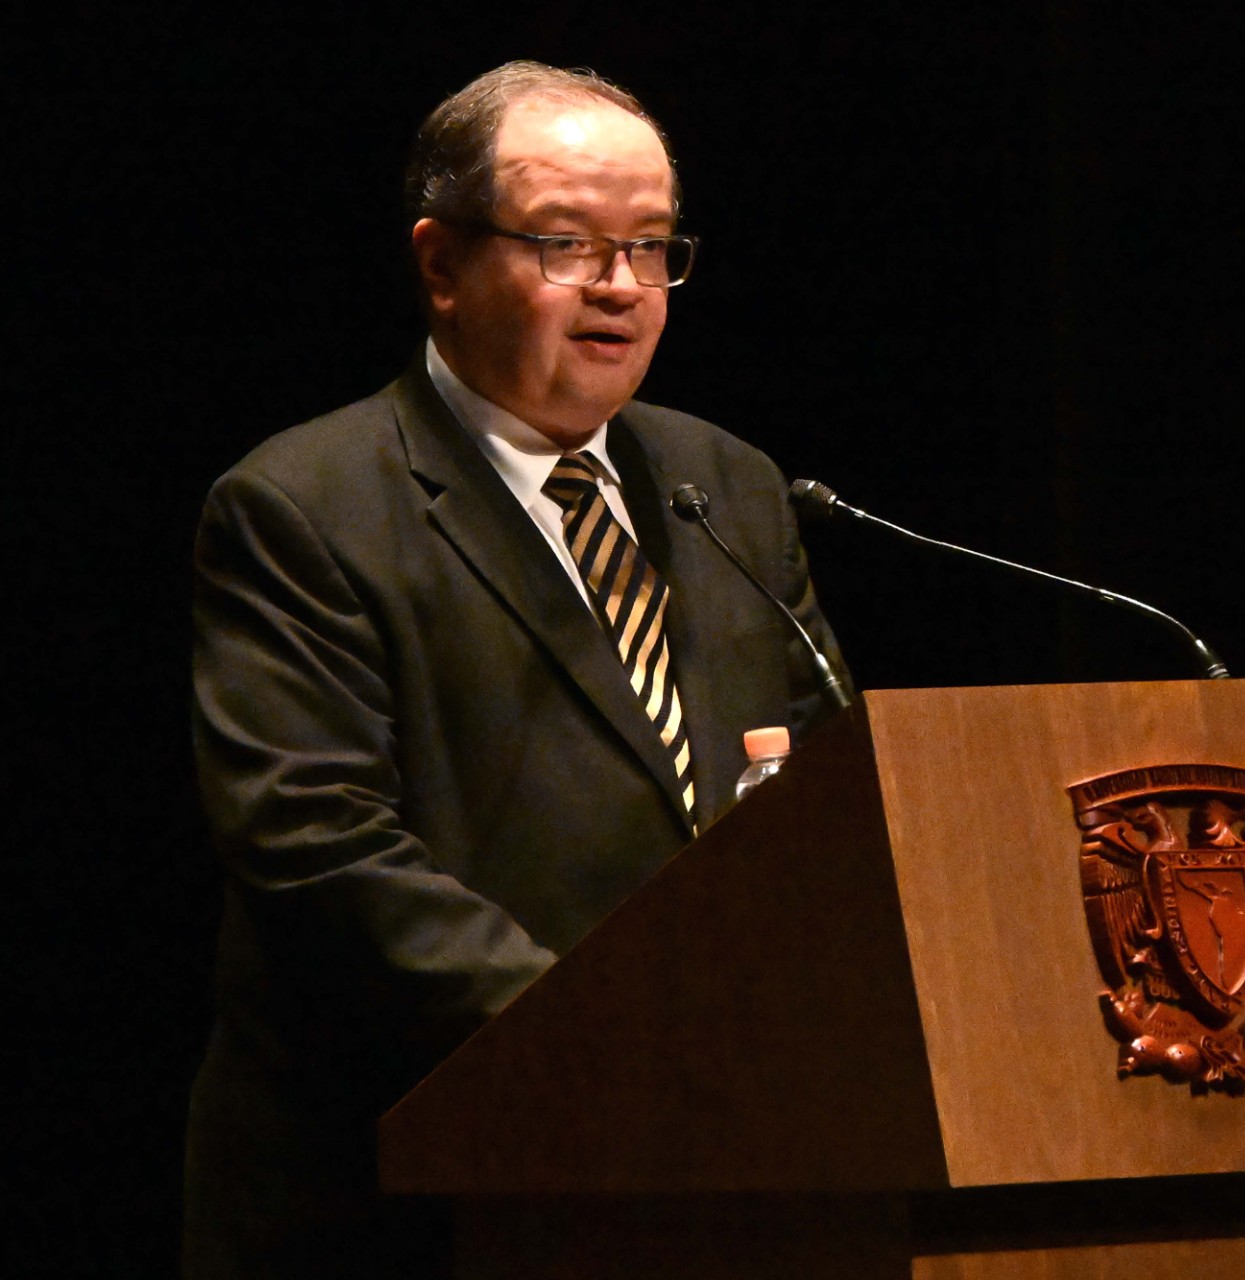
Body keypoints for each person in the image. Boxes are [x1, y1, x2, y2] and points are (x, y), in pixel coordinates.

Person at [182, 61, 847, 1278]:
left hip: (721, 1180)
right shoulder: (304, 504)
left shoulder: (729, 487)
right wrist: (601, 1043)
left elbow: (825, 792)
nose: (620, 287)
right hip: (415, 1196)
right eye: (566, 244)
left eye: (651, 247)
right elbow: (317, 845)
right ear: (441, 264)